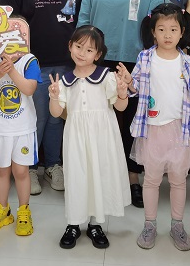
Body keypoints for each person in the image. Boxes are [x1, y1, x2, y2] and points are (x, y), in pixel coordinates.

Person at [78, 0, 164, 208]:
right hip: (98, 59)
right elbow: (84, 17)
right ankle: (102, 176)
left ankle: (132, 177)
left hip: (134, 59)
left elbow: (157, 18)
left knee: (130, 121)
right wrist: (83, 54)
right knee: (100, 118)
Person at [0, 0, 88, 195]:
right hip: (31, 64)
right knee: (34, 118)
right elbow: (9, 23)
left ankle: (53, 164)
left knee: (57, 117)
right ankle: (30, 167)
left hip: (68, 62)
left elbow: (85, 15)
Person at [122, 4, 190, 251]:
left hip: (180, 129)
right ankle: (149, 224)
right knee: (151, 179)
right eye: (161, 29)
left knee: (179, 180)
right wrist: (129, 82)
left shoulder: (188, 62)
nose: (167, 35)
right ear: (153, 32)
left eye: (173, 29)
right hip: (152, 129)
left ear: (182, 32)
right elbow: (137, 87)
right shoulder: (145, 57)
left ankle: (177, 225)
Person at [49, 26, 131, 250]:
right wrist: (54, 97)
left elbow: (121, 107)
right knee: (76, 177)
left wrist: (122, 92)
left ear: (98, 54)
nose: (82, 53)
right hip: (76, 139)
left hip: (102, 137)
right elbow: (56, 113)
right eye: (78, 46)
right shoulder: (64, 81)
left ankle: (95, 224)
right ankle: (73, 223)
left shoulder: (106, 76)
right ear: (70, 46)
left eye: (89, 50)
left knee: (99, 175)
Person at [0, 48, 42, 236]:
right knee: (2, 170)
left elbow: (29, 89)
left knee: (21, 171)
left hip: (23, 128)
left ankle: (24, 211)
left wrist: (11, 70)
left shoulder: (29, 60)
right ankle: (3, 210)